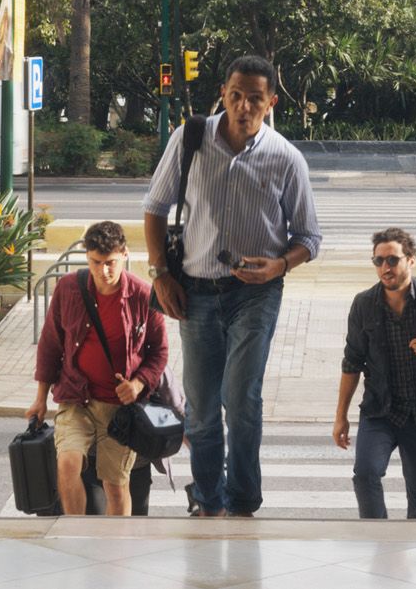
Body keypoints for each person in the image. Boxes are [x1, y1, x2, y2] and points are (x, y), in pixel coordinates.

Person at [142, 54, 322, 518]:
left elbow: (309, 238)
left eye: (254, 99)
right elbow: (155, 208)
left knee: (241, 399)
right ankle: (208, 497)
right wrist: (161, 274)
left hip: (255, 295)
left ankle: (242, 499)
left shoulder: (285, 158)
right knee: (201, 409)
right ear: (223, 93)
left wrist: (278, 267)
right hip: (195, 291)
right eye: (236, 95)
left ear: (271, 103)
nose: (244, 106)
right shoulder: (191, 139)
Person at [29, 221, 168, 517]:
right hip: (76, 399)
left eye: (110, 263)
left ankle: (115, 550)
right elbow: (50, 346)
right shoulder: (68, 289)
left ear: (125, 255)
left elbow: (160, 352)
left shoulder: (144, 296)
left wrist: (139, 384)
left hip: (120, 410)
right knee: (67, 465)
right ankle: (78, 537)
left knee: (115, 486)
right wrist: (40, 398)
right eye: (95, 262)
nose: (103, 271)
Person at [333, 227, 416, 520]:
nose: (385, 268)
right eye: (378, 261)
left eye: (392, 260)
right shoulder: (364, 304)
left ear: (411, 260)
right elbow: (351, 362)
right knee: (365, 475)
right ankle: (379, 538)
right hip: (379, 410)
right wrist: (341, 415)